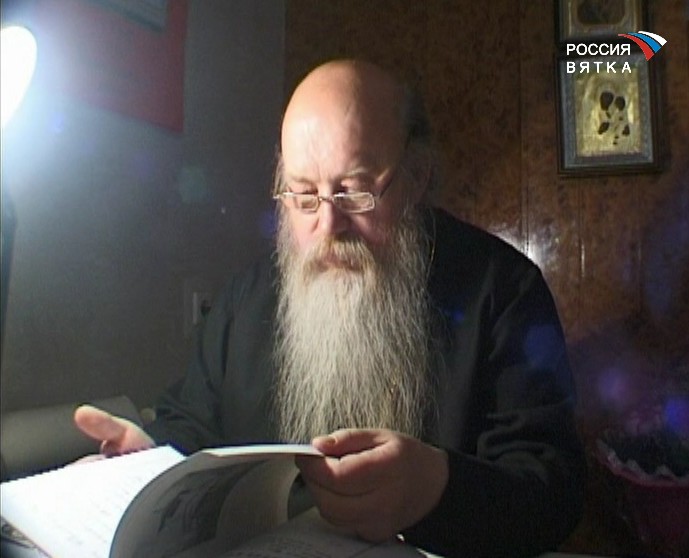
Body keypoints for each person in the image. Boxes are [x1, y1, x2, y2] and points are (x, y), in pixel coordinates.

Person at [74, 59, 586, 557]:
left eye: (354, 192)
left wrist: (436, 487)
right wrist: (147, 459)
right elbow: (193, 428)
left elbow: (553, 492)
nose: (329, 225)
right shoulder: (243, 305)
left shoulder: (504, 291)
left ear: (417, 176)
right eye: (304, 195)